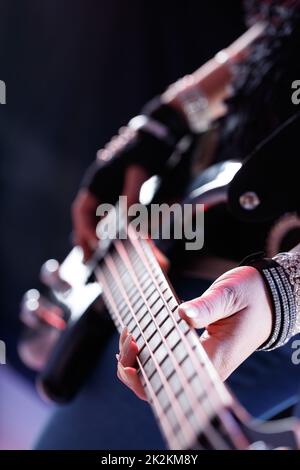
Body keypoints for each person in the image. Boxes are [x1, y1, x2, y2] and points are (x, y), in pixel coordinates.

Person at [37, 0, 300, 449]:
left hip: (248, 308)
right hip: (196, 244)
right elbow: (272, 46)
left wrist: (287, 292)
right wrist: (161, 127)